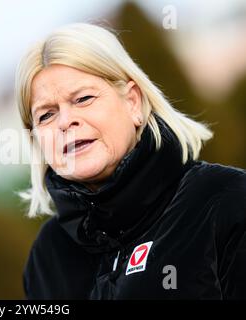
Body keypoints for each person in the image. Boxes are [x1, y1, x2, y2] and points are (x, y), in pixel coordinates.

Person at [14, 23, 246, 299]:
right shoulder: (46, 257)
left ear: (133, 102)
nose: (65, 121)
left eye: (83, 98)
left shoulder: (226, 201)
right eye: (46, 115)